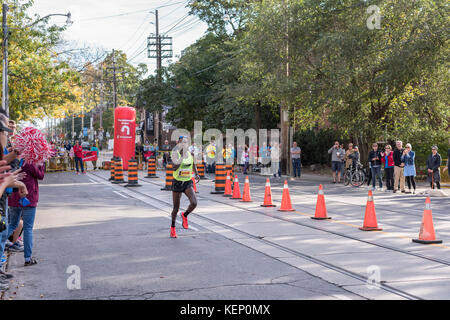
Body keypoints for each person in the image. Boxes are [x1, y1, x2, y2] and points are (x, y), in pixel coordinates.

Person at [8, 161, 45, 266]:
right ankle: (28, 258)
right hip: (28, 197)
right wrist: (41, 164)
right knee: (28, 228)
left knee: (12, 224)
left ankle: (3, 243)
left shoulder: (15, 160)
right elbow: (40, 175)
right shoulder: (30, 162)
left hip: (14, 198)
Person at [169, 136, 199, 238]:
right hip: (177, 182)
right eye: (182, 142)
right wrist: (181, 157)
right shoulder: (175, 154)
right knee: (176, 208)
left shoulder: (190, 154)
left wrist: (197, 173)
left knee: (194, 203)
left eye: (186, 143)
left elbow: (193, 163)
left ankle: (185, 215)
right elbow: (174, 167)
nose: (184, 144)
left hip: (187, 182)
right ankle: (173, 227)